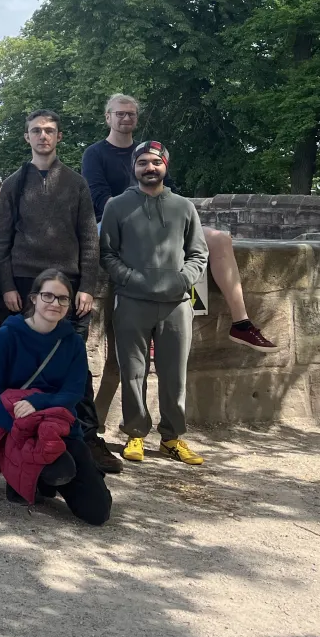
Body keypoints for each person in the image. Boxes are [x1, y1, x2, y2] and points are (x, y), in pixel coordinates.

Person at [82, 93, 273, 350]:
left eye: (131, 114)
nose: (126, 118)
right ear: (108, 117)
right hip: (113, 223)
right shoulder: (95, 153)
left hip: (160, 218)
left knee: (219, 239)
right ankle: (150, 327)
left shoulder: (149, 151)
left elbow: (169, 190)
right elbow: (101, 200)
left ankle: (241, 323)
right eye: (120, 113)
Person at [0, 109, 121, 475]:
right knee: (25, 364)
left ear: (59, 137)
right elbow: (1, 241)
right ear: (27, 137)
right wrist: (7, 286)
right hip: (26, 284)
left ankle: (87, 437)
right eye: (36, 130)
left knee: (73, 363)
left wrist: (87, 288)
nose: (43, 136)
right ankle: (22, 436)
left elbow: (89, 240)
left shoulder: (76, 184)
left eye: (49, 130)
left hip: (69, 286)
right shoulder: (15, 184)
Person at [0, 269, 113, 525]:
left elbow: (73, 393)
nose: (55, 303)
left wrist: (37, 402)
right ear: (34, 298)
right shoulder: (8, 335)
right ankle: (31, 477)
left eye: (62, 298)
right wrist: (15, 428)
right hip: (18, 427)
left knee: (97, 513)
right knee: (60, 469)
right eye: (47, 296)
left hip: (59, 426)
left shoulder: (72, 342)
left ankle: (49, 480)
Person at [101, 141, 209, 466]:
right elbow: (107, 254)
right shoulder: (117, 206)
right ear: (134, 168)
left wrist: (181, 280)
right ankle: (135, 433)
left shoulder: (183, 207)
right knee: (133, 371)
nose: (149, 167)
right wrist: (132, 279)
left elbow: (198, 253)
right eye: (143, 162)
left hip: (176, 304)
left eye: (155, 162)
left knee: (174, 374)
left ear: (165, 166)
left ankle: (172, 438)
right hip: (132, 301)